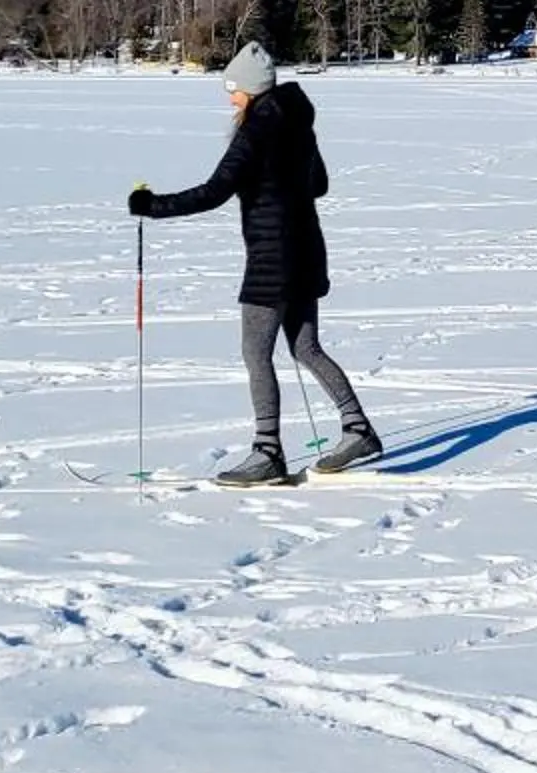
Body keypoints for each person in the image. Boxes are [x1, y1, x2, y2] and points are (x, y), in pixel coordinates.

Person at [130, 41, 381, 486]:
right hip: (307, 251)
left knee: (255, 353)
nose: (230, 97)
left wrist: (151, 205)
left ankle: (267, 452)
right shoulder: (300, 124)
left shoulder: (255, 132)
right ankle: (357, 429)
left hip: (272, 259)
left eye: (233, 89)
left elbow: (213, 192)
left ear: (251, 89)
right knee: (306, 349)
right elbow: (319, 184)